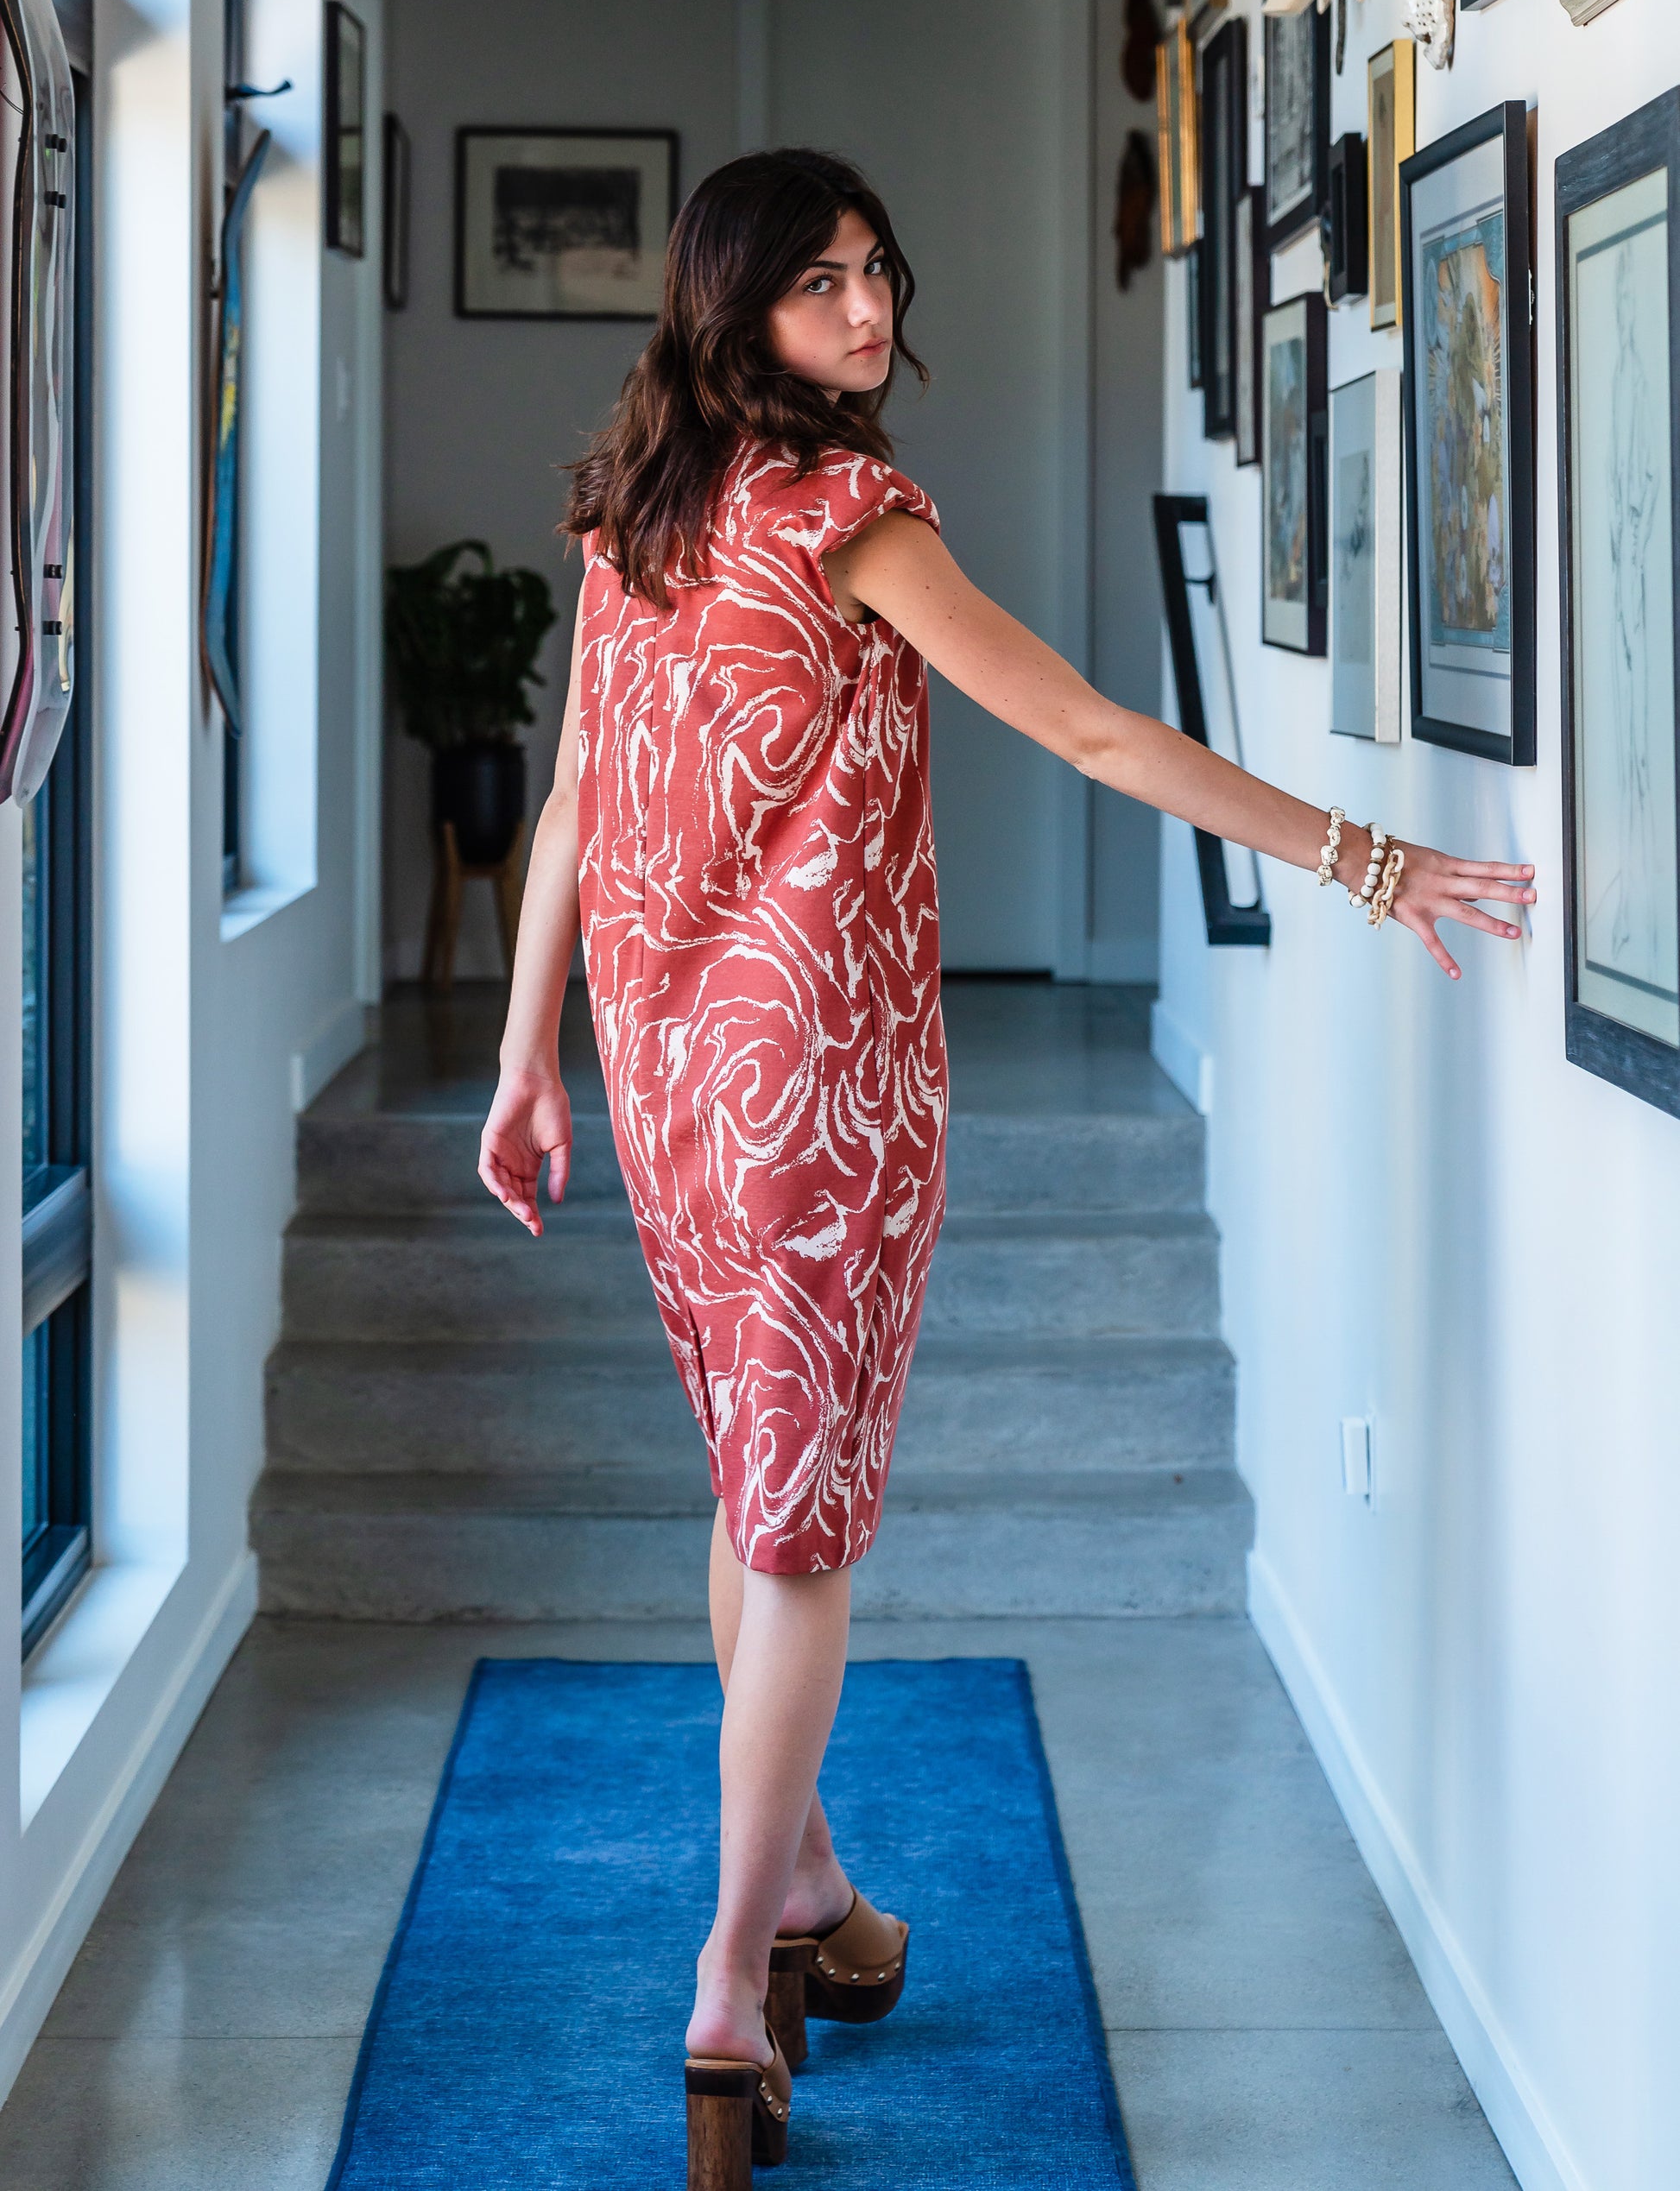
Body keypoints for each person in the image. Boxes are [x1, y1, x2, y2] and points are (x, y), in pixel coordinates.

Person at [478, 147, 1536, 2190]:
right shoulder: (855, 512)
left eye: (879, 269)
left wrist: (533, 1058)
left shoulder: (634, 521)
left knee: (753, 1489)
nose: (867, 313)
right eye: (818, 285)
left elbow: (574, 808)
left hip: (675, 1081)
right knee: (801, 1528)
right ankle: (723, 1974)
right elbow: (1088, 731)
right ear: (734, 308)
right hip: (825, 1093)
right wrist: (1367, 854)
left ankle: (812, 1901)